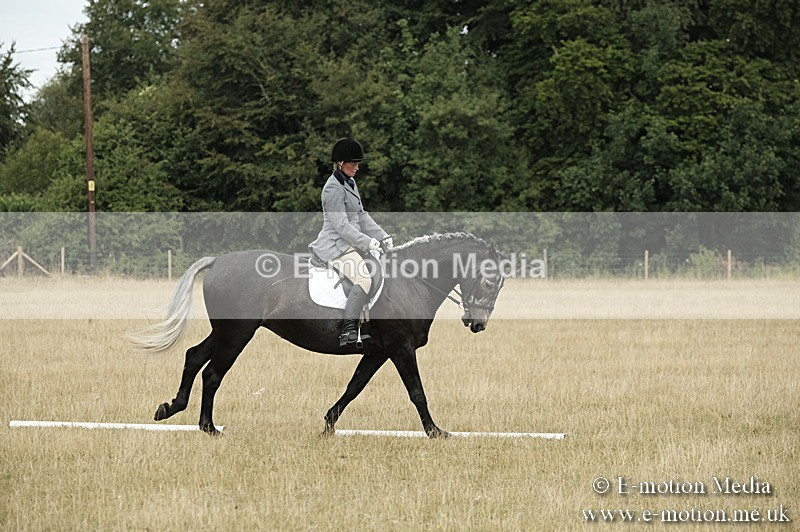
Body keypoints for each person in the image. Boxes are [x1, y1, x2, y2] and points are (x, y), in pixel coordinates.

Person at [309, 138, 393, 347]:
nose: (357, 167)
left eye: (358, 163)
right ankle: (348, 330)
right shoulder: (332, 189)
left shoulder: (350, 182)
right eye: (353, 163)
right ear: (339, 163)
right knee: (364, 278)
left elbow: (362, 216)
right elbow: (341, 226)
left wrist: (383, 236)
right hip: (335, 245)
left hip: (351, 242)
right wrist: (368, 243)